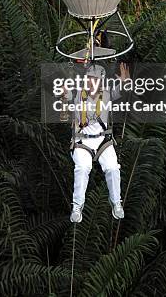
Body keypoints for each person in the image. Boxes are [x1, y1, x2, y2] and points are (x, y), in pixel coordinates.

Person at [62, 62, 130, 223]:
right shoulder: (78, 93)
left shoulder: (107, 94)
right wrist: (64, 94)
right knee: (83, 167)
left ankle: (116, 203)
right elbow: (65, 97)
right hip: (82, 142)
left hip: (102, 141)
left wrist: (125, 81)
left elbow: (122, 90)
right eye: (89, 79)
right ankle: (77, 206)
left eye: (94, 79)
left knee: (113, 167)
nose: (91, 82)